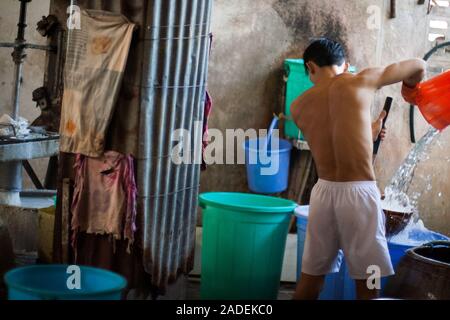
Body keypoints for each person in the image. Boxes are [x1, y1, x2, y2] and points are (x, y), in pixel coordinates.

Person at [290, 38, 426, 300]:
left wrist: (370, 131)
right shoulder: (360, 80)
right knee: (369, 282)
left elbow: (331, 139)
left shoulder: (299, 107)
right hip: (359, 195)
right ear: (347, 65)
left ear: (310, 67)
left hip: (323, 195)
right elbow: (417, 65)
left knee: (311, 281)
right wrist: (410, 88)